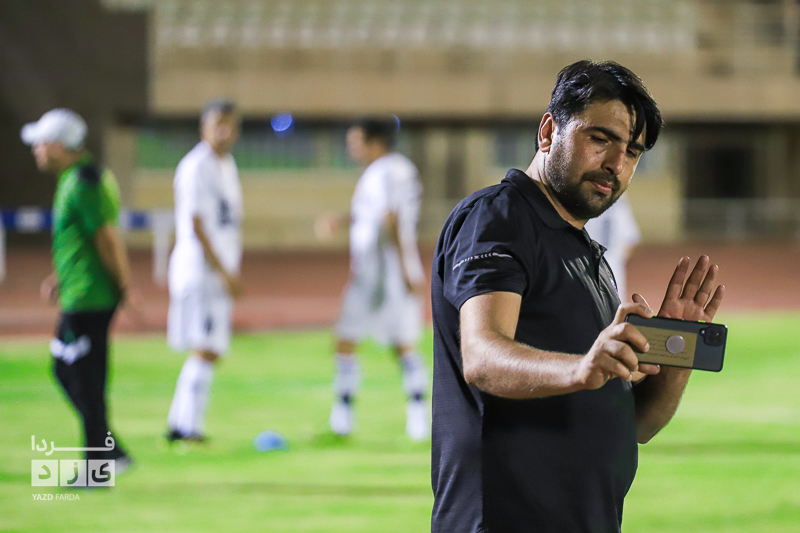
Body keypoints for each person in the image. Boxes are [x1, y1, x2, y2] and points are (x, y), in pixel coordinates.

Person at [430, 60, 725, 532]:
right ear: (549, 131)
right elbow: (482, 356)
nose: (616, 164)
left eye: (633, 152)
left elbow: (640, 425)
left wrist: (677, 351)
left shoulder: (587, 254)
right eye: (601, 139)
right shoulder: (499, 218)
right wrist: (582, 368)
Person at [22, 108, 134, 468]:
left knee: (85, 378)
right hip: (80, 291)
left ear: (59, 145)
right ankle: (110, 451)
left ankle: (98, 465)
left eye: (41, 143)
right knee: (68, 370)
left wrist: (124, 286)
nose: (36, 149)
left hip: (90, 296)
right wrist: (61, 276)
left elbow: (106, 237)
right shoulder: (74, 178)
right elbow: (80, 238)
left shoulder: (84, 181)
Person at [316, 118, 429, 441]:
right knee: (390, 344)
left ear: (375, 142)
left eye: (356, 142)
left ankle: (346, 418)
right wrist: (343, 220)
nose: (351, 148)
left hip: (382, 272)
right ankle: (414, 417)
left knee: (371, 342)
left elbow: (391, 218)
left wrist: (405, 268)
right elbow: (378, 214)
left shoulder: (387, 171)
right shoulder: (393, 169)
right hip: (378, 271)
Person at [165, 99, 243, 443]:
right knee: (206, 347)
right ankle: (187, 428)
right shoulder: (196, 166)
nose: (224, 132)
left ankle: (179, 424)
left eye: (230, 126)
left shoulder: (227, 165)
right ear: (204, 128)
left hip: (216, 271)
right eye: (217, 125)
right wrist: (224, 271)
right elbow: (196, 224)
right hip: (201, 271)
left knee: (209, 348)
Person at [584, 194, 641, 301]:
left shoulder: (578, 198)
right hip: (612, 267)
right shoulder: (617, 198)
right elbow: (629, 240)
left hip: (582, 264)